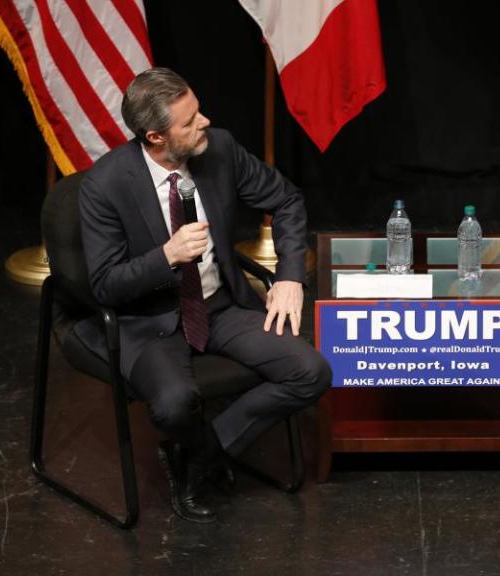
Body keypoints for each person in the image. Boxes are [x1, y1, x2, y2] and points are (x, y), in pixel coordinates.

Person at [77, 67, 331, 523]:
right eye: (190, 120)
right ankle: (200, 451)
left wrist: (290, 275)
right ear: (155, 137)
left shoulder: (221, 149)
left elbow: (287, 200)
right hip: (150, 320)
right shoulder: (105, 186)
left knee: (311, 371)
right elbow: (104, 285)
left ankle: (200, 454)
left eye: (198, 111)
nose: (205, 122)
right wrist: (167, 256)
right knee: (174, 403)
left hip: (220, 304)